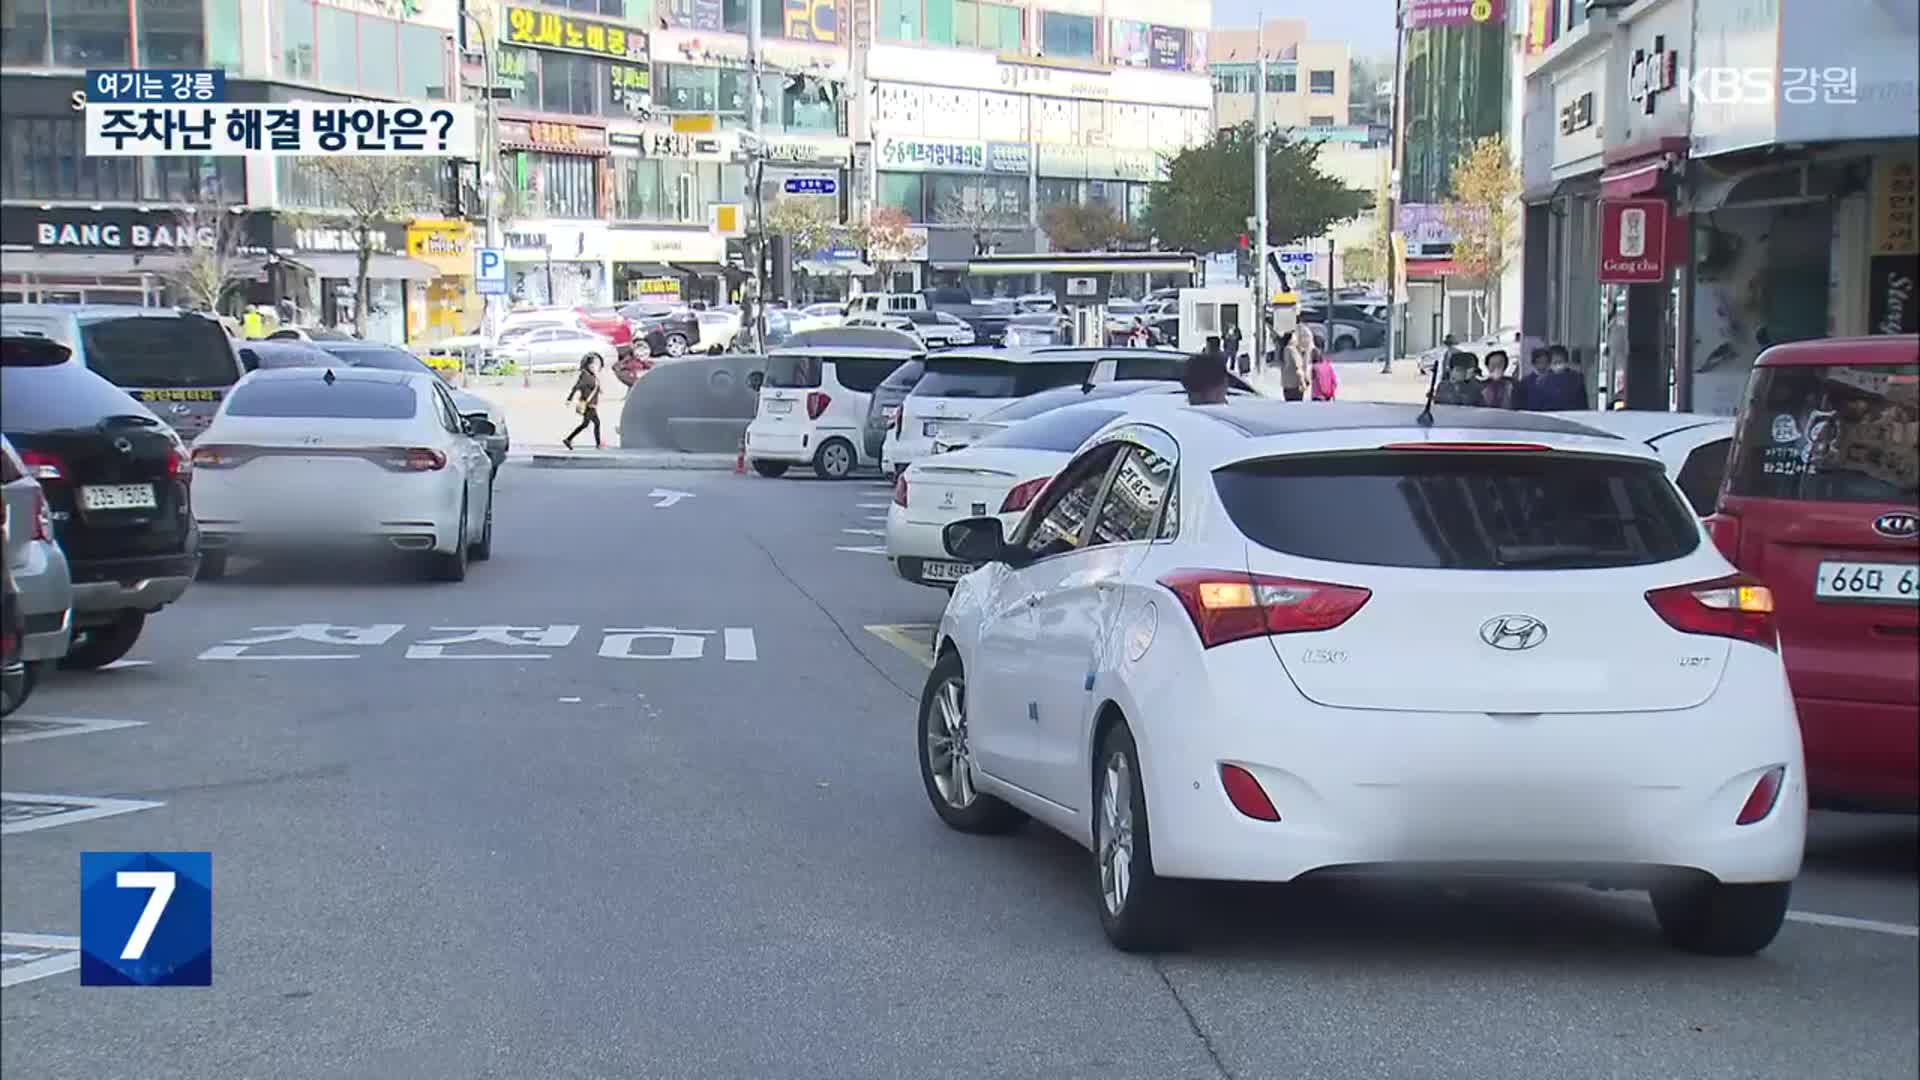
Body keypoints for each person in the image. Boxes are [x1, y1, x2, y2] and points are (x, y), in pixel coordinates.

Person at [1529, 344, 1590, 410]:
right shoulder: (1542, 381)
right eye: (1554, 362)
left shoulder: (1577, 379)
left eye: (1559, 362)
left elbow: (1583, 405)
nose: (1557, 366)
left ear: (1566, 362)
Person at [563, 356, 604, 450]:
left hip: (592, 404)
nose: (595, 367)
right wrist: (569, 399)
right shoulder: (585, 376)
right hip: (588, 404)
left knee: (592, 423)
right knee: (589, 424)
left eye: (595, 365)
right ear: (587, 365)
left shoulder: (591, 375)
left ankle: (569, 439)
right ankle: (568, 439)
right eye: (592, 365)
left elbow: (596, 387)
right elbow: (576, 387)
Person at [1281, 328, 1315, 401]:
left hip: (1287, 384)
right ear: (1291, 339)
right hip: (1295, 385)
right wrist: (1303, 382)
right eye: (1295, 336)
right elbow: (1297, 368)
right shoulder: (1291, 350)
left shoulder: (1286, 349)